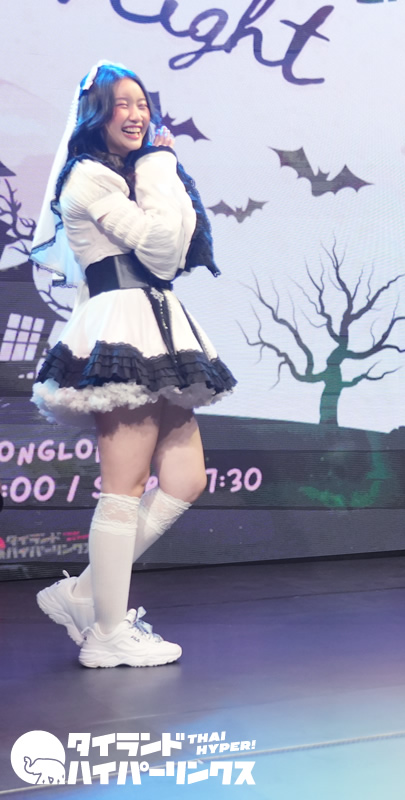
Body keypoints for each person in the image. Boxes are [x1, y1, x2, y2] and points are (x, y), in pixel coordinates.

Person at [30, 61, 235, 668]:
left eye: (142, 103)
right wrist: (159, 164)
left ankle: (82, 595)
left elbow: (178, 244)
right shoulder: (89, 176)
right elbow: (162, 249)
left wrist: (157, 167)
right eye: (122, 103)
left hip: (158, 323)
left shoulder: (134, 174)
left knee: (185, 480)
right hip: (123, 327)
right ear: (97, 114)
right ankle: (107, 632)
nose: (137, 113)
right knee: (123, 487)